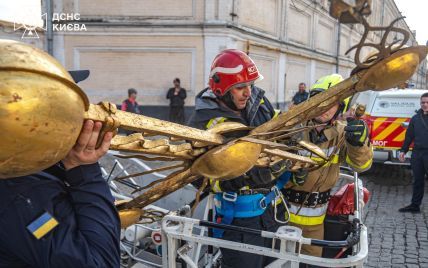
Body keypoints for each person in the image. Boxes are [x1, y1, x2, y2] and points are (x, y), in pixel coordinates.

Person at [0, 71, 120, 267]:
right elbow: (100, 262)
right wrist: (84, 171)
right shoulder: (22, 198)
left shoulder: (26, 170)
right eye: (69, 103)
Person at [188, 49, 288, 268]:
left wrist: (290, 139)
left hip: (272, 212)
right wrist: (231, 180)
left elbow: (278, 134)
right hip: (239, 220)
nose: (248, 93)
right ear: (222, 89)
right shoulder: (203, 123)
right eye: (240, 88)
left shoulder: (260, 104)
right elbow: (194, 173)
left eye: (250, 86)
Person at [280, 74, 373, 258]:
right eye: (322, 101)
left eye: (333, 103)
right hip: (283, 217)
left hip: (316, 223)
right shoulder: (290, 128)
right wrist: (288, 173)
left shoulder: (342, 133)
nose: (326, 109)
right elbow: (270, 163)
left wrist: (358, 145)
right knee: (279, 261)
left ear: (340, 107)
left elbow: (361, 166)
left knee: (313, 262)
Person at [398, 92, 428, 213]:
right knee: (417, 181)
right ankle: (415, 206)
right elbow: (409, 136)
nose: (425, 105)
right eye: (423, 102)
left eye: (427, 102)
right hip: (417, 154)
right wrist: (403, 151)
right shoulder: (415, 118)